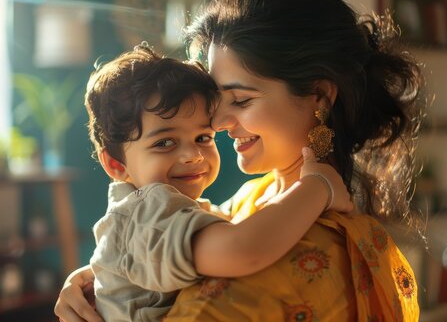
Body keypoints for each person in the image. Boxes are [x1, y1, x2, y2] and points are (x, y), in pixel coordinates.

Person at [55, 0, 424, 321]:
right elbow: (167, 245)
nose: (216, 122)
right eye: (218, 101)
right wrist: (98, 277)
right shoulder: (249, 201)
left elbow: (237, 249)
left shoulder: (314, 242)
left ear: (320, 97)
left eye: (242, 100)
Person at [77, 43, 352, 321]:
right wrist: (318, 186)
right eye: (164, 142)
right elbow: (242, 249)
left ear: (319, 95)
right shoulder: (149, 211)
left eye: (202, 138)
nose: (192, 155)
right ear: (115, 164)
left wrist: (93, 273)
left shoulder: (183, 213)